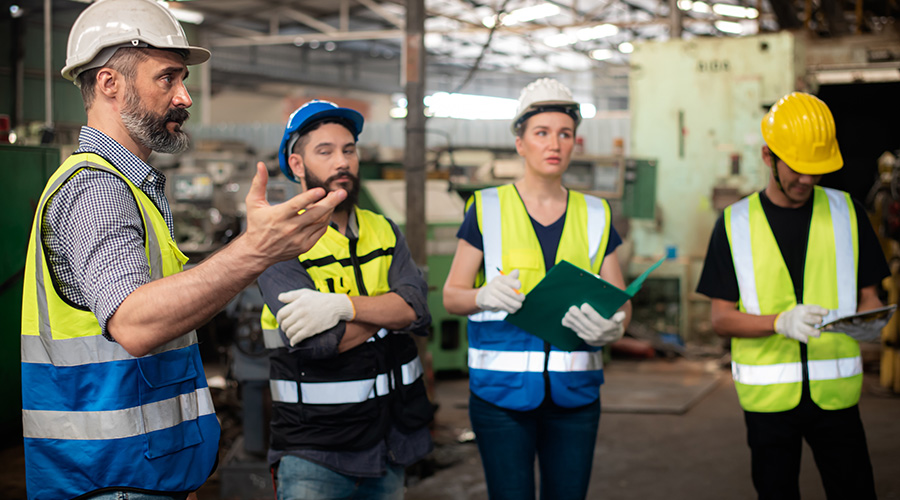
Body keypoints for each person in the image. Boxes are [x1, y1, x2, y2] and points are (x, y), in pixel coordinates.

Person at [19, 1, 345, 499]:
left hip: (140, 472)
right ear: (110, 83)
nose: (185, 96)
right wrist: (254, 252)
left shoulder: (132, 189)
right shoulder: (96, 189)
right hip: (110, 478)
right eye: (167, 79)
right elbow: (135, 322)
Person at [442, 78, 632, 500]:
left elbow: (621, 300)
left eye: (565, 134)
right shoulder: (486, 208)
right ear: (520, 142)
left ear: (575, 143)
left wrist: (614, 327)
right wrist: (481, 296)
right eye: (542, 133)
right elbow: (451, 295)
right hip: (500, 397)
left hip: (576, 398)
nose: (555, 144)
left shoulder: (596, 213)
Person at [696, 92, 889, 499]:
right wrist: (779, 322)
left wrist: (871, 322)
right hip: (769, 404)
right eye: (798, 169)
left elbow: (870, 296)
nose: (807, 180)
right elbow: (720, 319)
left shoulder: (848, 212)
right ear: (769, 157)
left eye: (817, 171)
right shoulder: (734, 224)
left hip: (836, 398)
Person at [257, 100, 434, 500]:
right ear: (297, 165)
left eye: (349, 150)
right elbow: (318, 343)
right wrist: (393, 311)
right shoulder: (277, 241)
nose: (343, 161)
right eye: (326, 151)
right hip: (314, 453)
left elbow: (420, 310)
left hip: (389, 443)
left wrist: (343, 308)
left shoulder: (383, 229)